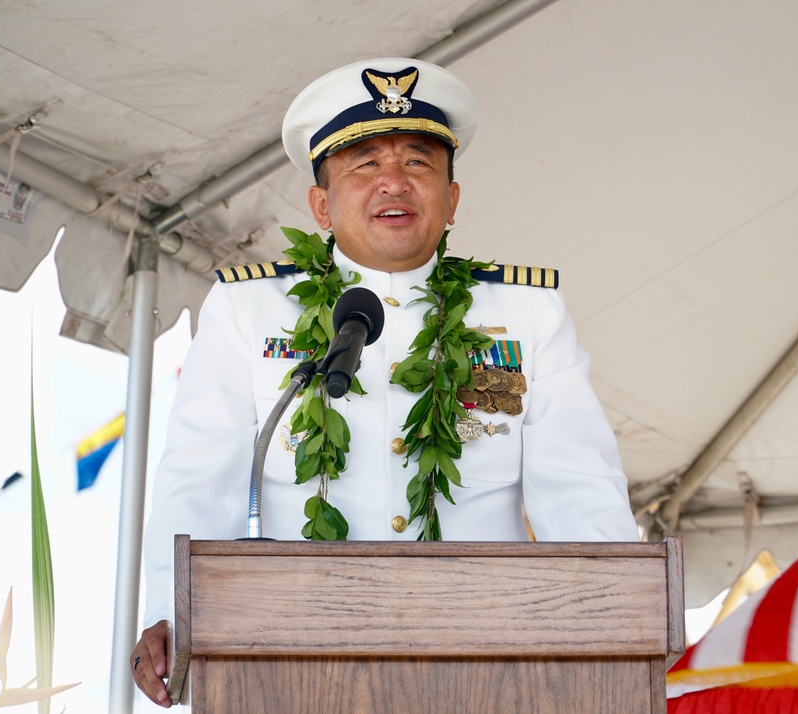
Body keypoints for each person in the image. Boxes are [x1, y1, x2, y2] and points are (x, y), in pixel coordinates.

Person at [130, 57, 640, 707]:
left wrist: (619, 616)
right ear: (321, 204)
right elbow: (200, 477)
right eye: (365, 165)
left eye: (418, 163)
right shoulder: (250, 311)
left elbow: (579, 488)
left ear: (451, 199)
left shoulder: (523, 315)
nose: (393, 182)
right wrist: (170, 613)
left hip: (490, 665)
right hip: (296, 661)